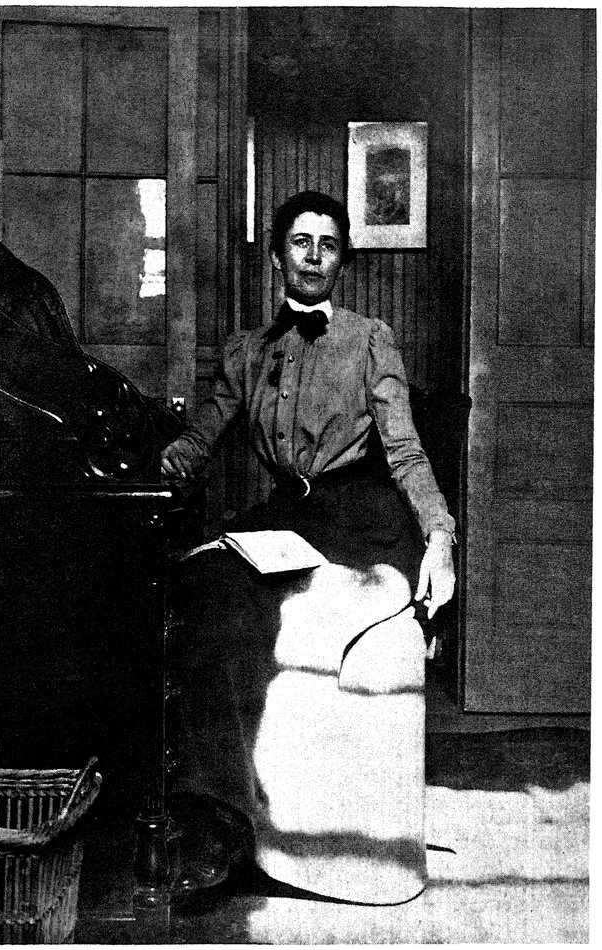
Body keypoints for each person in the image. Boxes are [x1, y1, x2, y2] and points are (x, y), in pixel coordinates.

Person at [161, 190, 455, 908]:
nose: (314, 257)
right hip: (288, 516)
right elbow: (204, 434)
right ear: (276, 256)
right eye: (300, 242)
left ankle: (241, 829)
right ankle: (219, 819)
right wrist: (167, 461)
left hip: (361, 517)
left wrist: (441, 536)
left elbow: (406, 451)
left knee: (250, 607)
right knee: (203, 587)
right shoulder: (247, 350)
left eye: (328, 245)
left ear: (342, 261)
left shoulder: (370, 339)